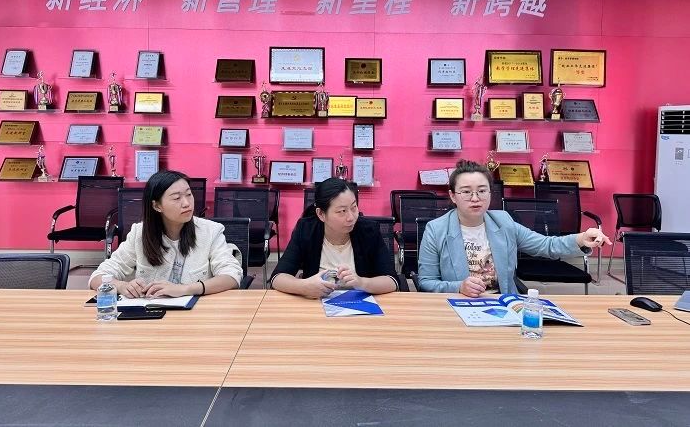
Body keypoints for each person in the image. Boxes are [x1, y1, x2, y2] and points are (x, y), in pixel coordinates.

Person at [418, 160, 611, 296]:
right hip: (458, 303)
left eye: (482, 191)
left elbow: (546, 245)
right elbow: (426, 282)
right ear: (453, 196)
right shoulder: (436, 230)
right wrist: (458, 287)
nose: (475, 198)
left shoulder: (503, 222)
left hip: (503, 303)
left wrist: (581, 238)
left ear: (490, 193)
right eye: (466, 192)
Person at [89, 170, 242, 297]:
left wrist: (186, 289)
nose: (187, 203)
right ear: (157, 206)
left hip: (195, 315)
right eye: (177, 198)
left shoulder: (211, 231)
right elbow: (98, 277)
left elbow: (231, 276)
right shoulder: (139, 233)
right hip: (150, 316)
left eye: (189, 194)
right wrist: (122, 286)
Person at [271, 178, 399, 298]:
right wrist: (304, 286)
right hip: (316, 304)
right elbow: (278, 278)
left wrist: (361, 282)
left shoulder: (369, 231)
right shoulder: (306, 230)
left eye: (353, 207)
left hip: (359, 305)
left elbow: (392, 281)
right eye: (342, 211)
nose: (351, 217)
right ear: (321, 214)